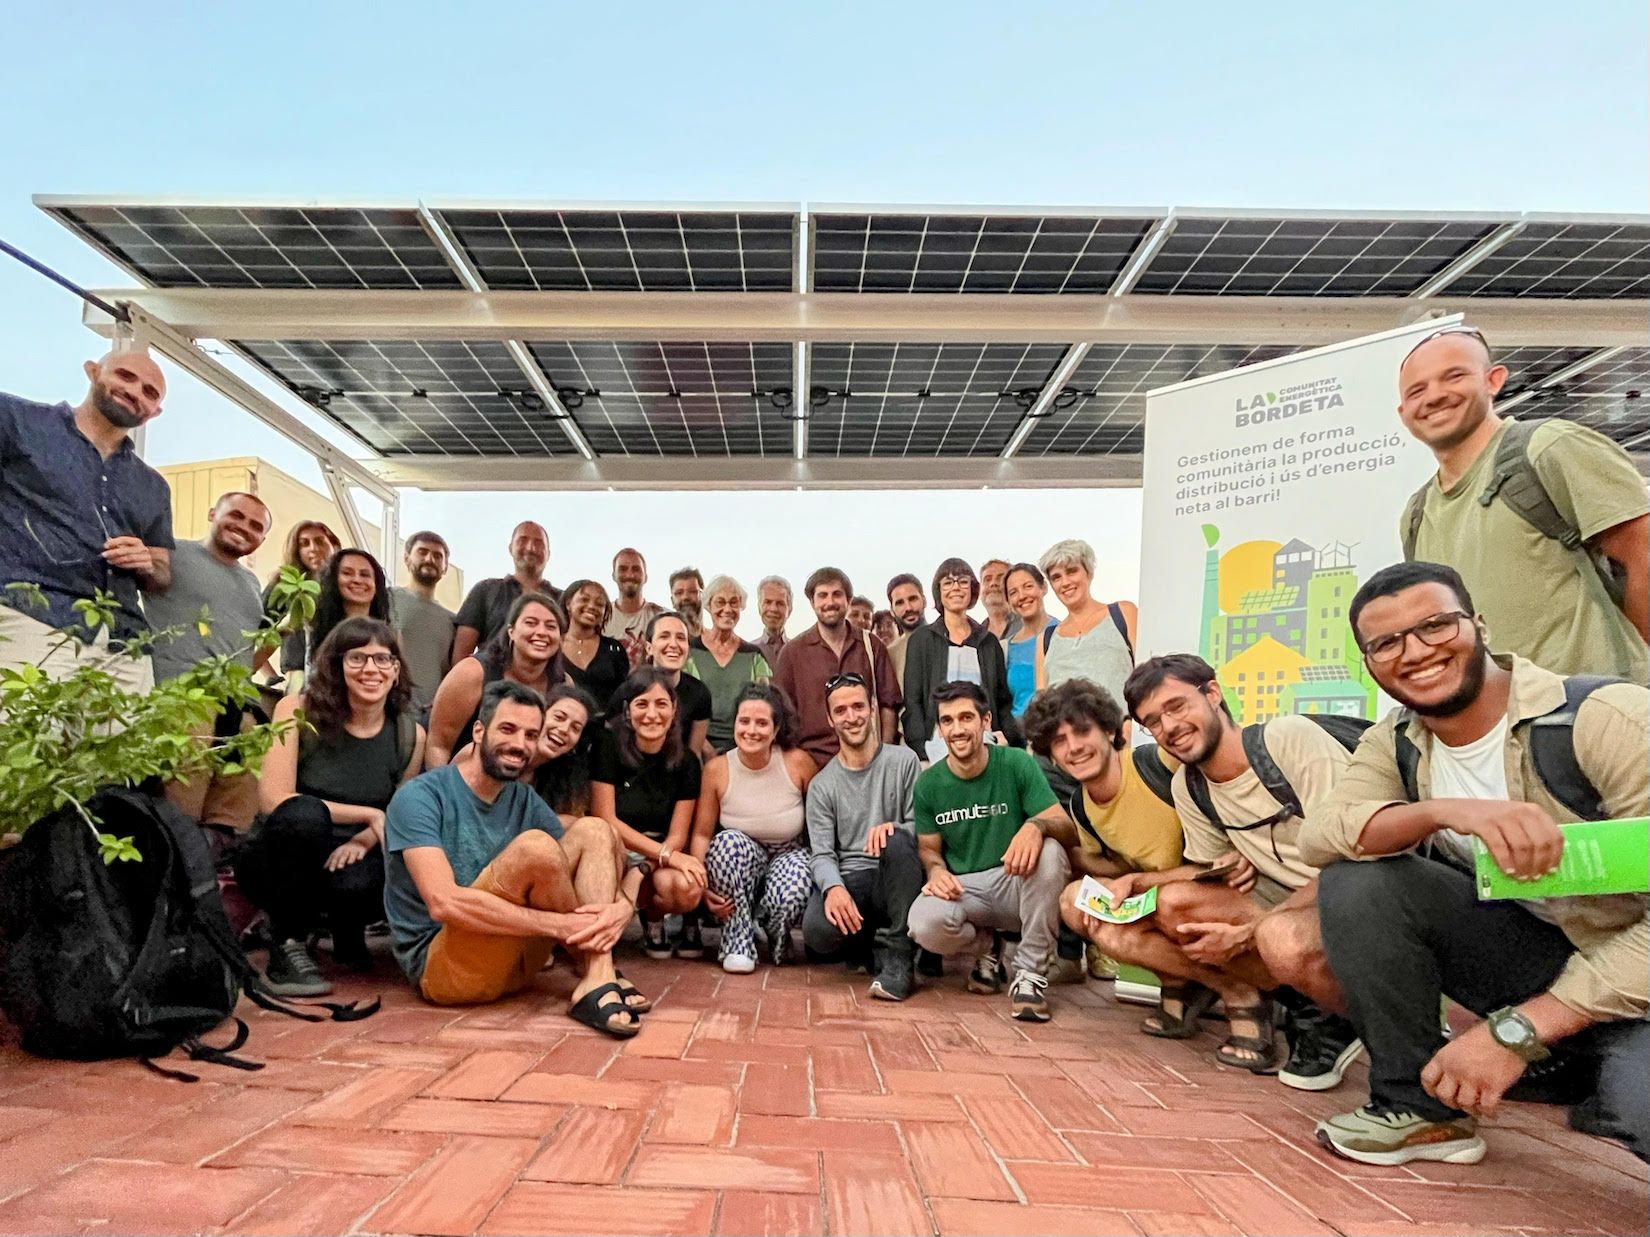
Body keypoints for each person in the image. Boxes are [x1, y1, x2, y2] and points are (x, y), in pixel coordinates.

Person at [1301, 561, 1649, 1167]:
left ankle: (1577, 1066)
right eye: (1387, 643)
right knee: (1361, 881)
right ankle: (1421, 1112)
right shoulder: (1402, 740)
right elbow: (1323, 836)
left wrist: (1515, 1030)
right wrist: (1443, 810)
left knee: (1636, 1102)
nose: (1415, 653)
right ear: (1371, 664)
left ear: (1478, 625)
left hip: (1632, 968)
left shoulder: (1602, 719)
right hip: (1547, 956)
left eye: (1435, 625)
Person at [1105, 654, 1356, 1084]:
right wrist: (1141, 882)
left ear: (1213, 694)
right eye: (1153, 721)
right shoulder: (1190, 785)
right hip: (1285, 895)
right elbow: (1206, 867)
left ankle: (1343, 1016)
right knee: (1176, 907)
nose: (1169, 727)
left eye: (1176, 706)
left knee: (1276, 935)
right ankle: (1300, 1001)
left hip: (1355, 892)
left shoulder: (1288, 741)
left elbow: (1355, 855)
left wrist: (1252, 930)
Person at [384, 680, 641, 1036]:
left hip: (516, 961)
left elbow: (600, 861)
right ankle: (599, 973)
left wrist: (623, 907)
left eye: (530, 735)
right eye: (508, 729)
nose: (519, 744)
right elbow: (443, 903)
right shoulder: (422, 797)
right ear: (478, 731)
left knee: (595, 830)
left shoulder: (523, 800)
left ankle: (598, 973)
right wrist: (560, 927)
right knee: (535, 848)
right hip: (447, 968)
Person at [1396, 326, 1648, 683]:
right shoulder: (1418, 514)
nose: (1434, 396)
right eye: (1417, 390)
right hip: (1495, 724)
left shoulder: (1548, 449)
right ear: (1403, 412)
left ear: (1493, 381)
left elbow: (1643, 557)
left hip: (1590, 710)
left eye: (1454, 376)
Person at [238, 618, 425, 995]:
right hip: (285, 854)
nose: (370, 669)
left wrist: (366, 838)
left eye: (382, 659)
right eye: (357, 658)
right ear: (336, 665)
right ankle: (286, 944)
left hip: (353, 855)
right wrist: (369, 815)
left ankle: (348, 928)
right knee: (305, 814)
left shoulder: (409, 734)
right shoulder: (296, 711)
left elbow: (398, 815)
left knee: (379, 872)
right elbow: (274, 799)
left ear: (395, 672)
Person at [0, 350, 173, 691]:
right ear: (93, 371)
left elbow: (164, 573)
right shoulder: (16, 420)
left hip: (123, 645)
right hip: (31, 616)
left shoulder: (153, 486)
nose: (136, 392)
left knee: (125, 747)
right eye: (125, 376)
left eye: (150, 393)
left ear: (155, 412)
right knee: (25, 742)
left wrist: (147, 562)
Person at [908, 682, 1074, 1022]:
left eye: (966, 718)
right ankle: (988, 949)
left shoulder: (1016, 763)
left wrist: (1036, 826)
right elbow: (929, 849)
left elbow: (1067, 830)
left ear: (985, 721)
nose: (957, 729)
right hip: (967, 889)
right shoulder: (929, 784)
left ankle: (1029, 975)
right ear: (939, 729)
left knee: (1052, 852)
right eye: (948, 721)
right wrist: (936, 871)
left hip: (1016, 881)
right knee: (923, 923)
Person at [1023, 679, 1184, 985]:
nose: (1074, 747)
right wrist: (1038, 834)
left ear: (1110, 731)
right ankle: (1205, 982)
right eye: (1059, 741)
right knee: (1075, 900)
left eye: (1083, 731)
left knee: (1171, 900)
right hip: (1158, 895)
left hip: (1208, 887)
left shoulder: (1158, 763)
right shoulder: (1081, 807)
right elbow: (1111, 865)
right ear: (1052, 756)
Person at [147, 491, 275, 838]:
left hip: (240, 708)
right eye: (236, 515)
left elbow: (243, 651)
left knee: (232, 819)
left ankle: (213, 886)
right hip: (183, 702)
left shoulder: (251, 584)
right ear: (212, 513)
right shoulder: (170, 553)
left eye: (255, 526)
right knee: (178, 812)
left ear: (262, 539)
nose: (244, 527)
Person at [803, 674, 926, 1001]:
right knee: (817, 930)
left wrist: (897, 829)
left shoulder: (904, 761)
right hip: (853, 878)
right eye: (840, 711)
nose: (851, 717)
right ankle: (867, 944)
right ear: (830, 720)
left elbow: (924, 829)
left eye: (858, 706)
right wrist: (833, 888)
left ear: (872, 709)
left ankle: (899, 955)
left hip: (896, 876)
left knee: (898, 841)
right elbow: (822, 854)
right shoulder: (822, 785)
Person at [691, 683, 817, 972]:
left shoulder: (798, 762)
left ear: (775, 730)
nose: (751, 730)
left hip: (788, 851)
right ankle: (737, 937)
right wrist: (700, 886)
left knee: (796, 879)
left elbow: (821, 822)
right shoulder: (717, 770)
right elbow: (700, 834)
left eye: (762, 723)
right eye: (744, 721)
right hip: (740, 861)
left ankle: (776, 930)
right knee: (726, 844)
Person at [591, 668, 707, 959]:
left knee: (685, 887)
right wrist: (664, 857)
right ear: (628, 711)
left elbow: (678, 834)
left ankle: (653, 918)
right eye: (642, 704)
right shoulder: (607, 747)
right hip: (615, 845)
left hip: (657, 853)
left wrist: (649, 865)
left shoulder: (688, 761)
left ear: (674, 710)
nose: (652, 714)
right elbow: (605, 817)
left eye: (661, 704)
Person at [774, 567, 902, 767]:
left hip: (868, 761)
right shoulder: (792, 654)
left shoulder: (871, 646)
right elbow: (782, 715)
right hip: (814, 764)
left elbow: (888, 704)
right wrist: (796, 765)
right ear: (812, 602)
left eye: (836, 595)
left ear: (848, 601)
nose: (830, 602)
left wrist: (884, 754)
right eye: (822, 596)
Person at [426, 591, 568, 767]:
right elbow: (438, 746)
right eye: (530, 623)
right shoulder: (472, 672)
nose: (541, 632)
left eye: (551, 626)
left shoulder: (563, 684)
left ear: (561, 639)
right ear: (511, 632)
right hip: (459, 775)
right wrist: (445, 792)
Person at [901, 559, 1019, 763]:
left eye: (963, 581)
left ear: (972, 589)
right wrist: (922, 749)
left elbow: (1002, 700)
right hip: (937, 749)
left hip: (986, 746)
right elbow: (913, 701)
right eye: (948, 582)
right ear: (938, 591)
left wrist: (1009, 737)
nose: (956, 588)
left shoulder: (988, 642)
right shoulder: (921, 640)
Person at [1035, 538, 1137, 708]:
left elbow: (1146, 680)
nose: (1065, 582)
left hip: (1118, 730)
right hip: (1064, 732)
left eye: (1072, 571)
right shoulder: (1046, 638)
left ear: (1088, 572)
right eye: (1056, 577)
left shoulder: (1123, 613)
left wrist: (1129, 726)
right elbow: (1041, 703)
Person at [688, 575, 773, 754]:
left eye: (734, 603)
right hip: (696, 745)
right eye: (720, 602)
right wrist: (706, 749)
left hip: (743, 746)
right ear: (708, 606)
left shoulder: (753, 655)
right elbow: (682, 707)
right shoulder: (690, 651)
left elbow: (764, 705)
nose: (727, 609)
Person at [452, 520, 553, 661]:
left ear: (548, 553)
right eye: (523, 540)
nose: (530, 548)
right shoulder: (485, 590)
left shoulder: (563, 600)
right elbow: (460, 656)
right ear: (511, 548)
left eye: (538, 543)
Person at [390, 530, 455, 720]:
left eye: (437, 556)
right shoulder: (386, 600)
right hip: (390, 709)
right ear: (407, 558)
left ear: (445, 568)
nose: (430, 559)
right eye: (422, 552)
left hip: (431, 715)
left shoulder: (453, 621)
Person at [264, 519, 340, 679]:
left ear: (334, 545)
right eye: (304, 544)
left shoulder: (345, 586)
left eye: (320, 541)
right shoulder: (284, 585)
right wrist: (270, 677)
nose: (313, 548)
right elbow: (255, 632)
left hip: (338, 677)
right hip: (297, 674)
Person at [645, 610, 715, 762]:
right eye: (664, 636)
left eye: (681, 638)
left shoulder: (700, 693)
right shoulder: (630, 689)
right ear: (649, 648)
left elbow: (694, 754)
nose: (673, 644)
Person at [308, 549, 392, 674]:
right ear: (334, 580)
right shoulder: (312, 629)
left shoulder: (390, 637)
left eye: (365, 575)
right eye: (347, 573)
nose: (357, 580)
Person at [529, 683, 602, 821]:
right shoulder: (505, 756)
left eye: (575, 728)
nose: (564, 729)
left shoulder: (566, 780)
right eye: (559, 717)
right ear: (539, 715)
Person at [559, 579, 629, 708]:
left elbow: (624, 697)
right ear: (568, 604)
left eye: (599, 604)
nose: (592, 606)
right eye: (584, 599)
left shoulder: (614, 649)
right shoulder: (553, 645)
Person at [1003, 563, 1057, 721]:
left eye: (1028, 586)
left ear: (1044, 587)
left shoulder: (1064, 633)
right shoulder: (1005, 648)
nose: (1021, 596)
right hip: (1017, 736)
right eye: (1013, 592)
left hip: (1056, 729)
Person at [605, 547, 664, 669]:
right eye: (623, 569)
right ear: (613, 575)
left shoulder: (661, 617)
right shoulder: (602, 616)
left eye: (636, 569)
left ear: (645, 577)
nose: (630, 575)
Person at [885, 572, 928, 690]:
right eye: (900, 603)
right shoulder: (889, 654)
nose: (908, 608)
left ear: (924, 601)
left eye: (913, 599)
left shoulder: (946, 638)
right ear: (892, 611)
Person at [754, 575, 793, 668]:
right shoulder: (747, 654)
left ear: (790, 609)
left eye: (780, 603)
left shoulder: (799, 652)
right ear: (759, 607)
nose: (773, 609)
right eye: (767, 602)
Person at [980, 558, 1019, 645]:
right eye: (987, 579)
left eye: (1000, 578)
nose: (993, 583)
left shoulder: (1032, 625)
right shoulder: (975, 637)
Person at [669, 566, 706, 639]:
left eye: (692, 591)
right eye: (679, 593)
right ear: (672, 601)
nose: (685, 597)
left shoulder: (716, 643)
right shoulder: (667, 643)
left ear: (703, 597)